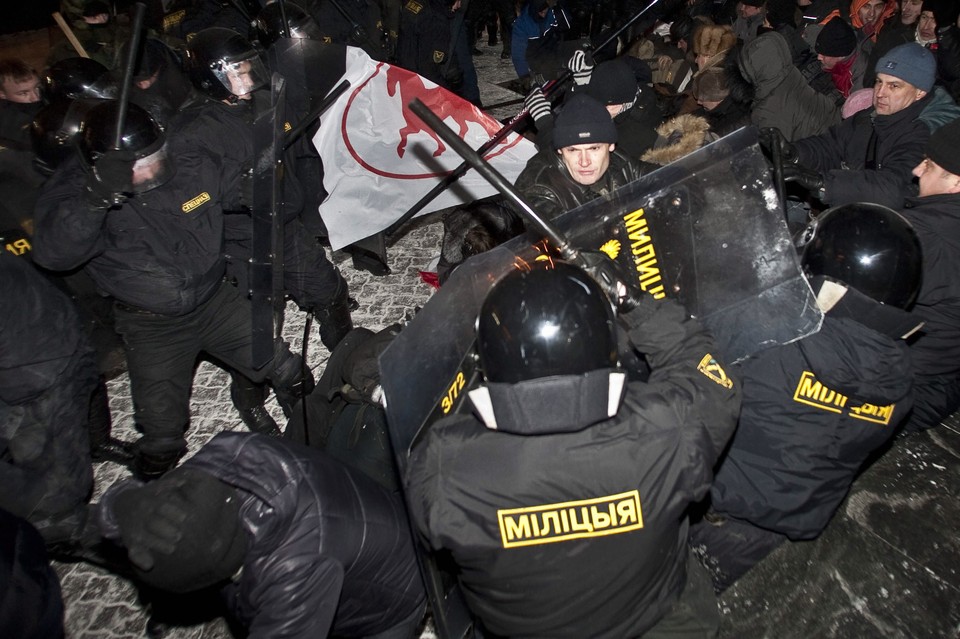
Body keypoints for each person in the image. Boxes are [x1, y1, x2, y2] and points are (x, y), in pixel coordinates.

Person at [405, 257, 741, 637]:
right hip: (655, 621)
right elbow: (711, 378)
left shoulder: (443, 468)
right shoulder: (667, 431)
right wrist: (632, 301)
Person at [31, 101, 313, 479]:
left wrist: (259, 186)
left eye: (155, 156)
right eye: (138, 164)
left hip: (215, 300)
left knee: (287, 368)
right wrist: (94, 199)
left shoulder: (189, 160)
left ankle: (313, 435)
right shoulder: (74, 189)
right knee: (162, 432)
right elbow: (54, 254)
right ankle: (149, 487)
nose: (151, 169)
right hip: (152, 324)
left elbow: (238, 191)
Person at [691, 203, 923, 590]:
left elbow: (687, 368)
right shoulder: (900, 386)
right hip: (784, 529)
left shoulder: (770, 342)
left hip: (711, 515)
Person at [178, 27, 354, 435]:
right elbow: (197, 194)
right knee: (258, 335)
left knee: (329, 291)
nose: (248, 76)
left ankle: (347, 359)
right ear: (211, 77)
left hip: (285, 227)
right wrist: (245, 184)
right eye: (236, 71)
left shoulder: (263, 101)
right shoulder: (193, 131)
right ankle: (250, 398)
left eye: (248, 66)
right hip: (242, 243)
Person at [98, 431, 427, 638]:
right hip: (358, 525)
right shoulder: (225, 459)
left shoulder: (293, 573)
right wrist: (128, 509)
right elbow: (122, 505)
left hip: (392, 605)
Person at [783, 42, 935, 209]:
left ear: (920, 92)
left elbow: (894, 188)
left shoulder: (923, 134)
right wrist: (793, 153)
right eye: (879, 82)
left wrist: (826, 184)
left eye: (894, 86)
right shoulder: (869, 117)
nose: (880, 93)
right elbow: (831, 144)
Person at [898, 119, 960, 431]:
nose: (917, 171)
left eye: (929, 165)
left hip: (899, 391)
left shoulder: (926, 237)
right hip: (940, 383)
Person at [514, 93, 642, 221]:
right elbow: (568, 233)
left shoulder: (621, 161)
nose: (584, 162)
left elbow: (658, 177)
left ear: (611, 146)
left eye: (593, 148)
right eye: (573, 150)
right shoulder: (540, 190)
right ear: (560, 149)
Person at [739, 31, 840, 140]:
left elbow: (774, 153)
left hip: (821, 150)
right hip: (835, 134)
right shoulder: (790, 75)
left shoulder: (768, 112)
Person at [815, 16, 868, 97]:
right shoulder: (842, 65)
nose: (819, 57)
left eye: (824, 54)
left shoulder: (861, 79)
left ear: (841, 55)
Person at [0, 58, 43, 148]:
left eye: (37, 87)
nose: (35, 97)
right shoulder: (7, 123)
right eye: (23, 93)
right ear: (2, 94)